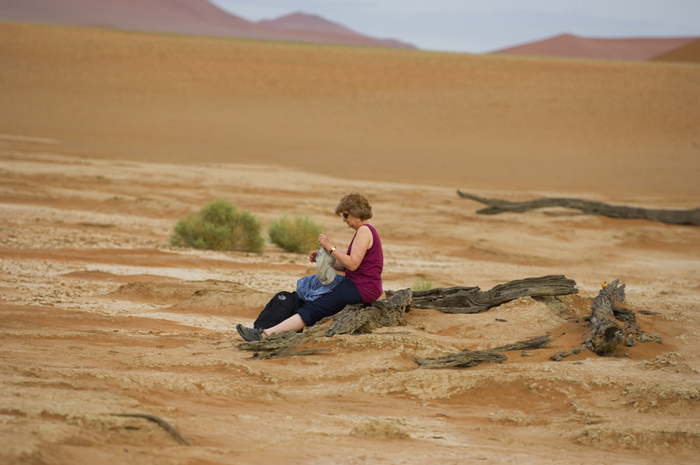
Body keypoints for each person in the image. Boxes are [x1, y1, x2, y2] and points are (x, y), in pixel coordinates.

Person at [236, 192, 383, 341]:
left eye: (346, 215)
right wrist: (324, 260)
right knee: (314, 296)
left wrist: (330, 247)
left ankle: (263, 335)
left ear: (356, 212)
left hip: (362, 287)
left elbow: (352, 264)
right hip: (359, 285)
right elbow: (349, 266)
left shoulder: (364, 231)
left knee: (314, 308)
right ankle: (281, 328)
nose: (344, 220)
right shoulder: (364, 231)